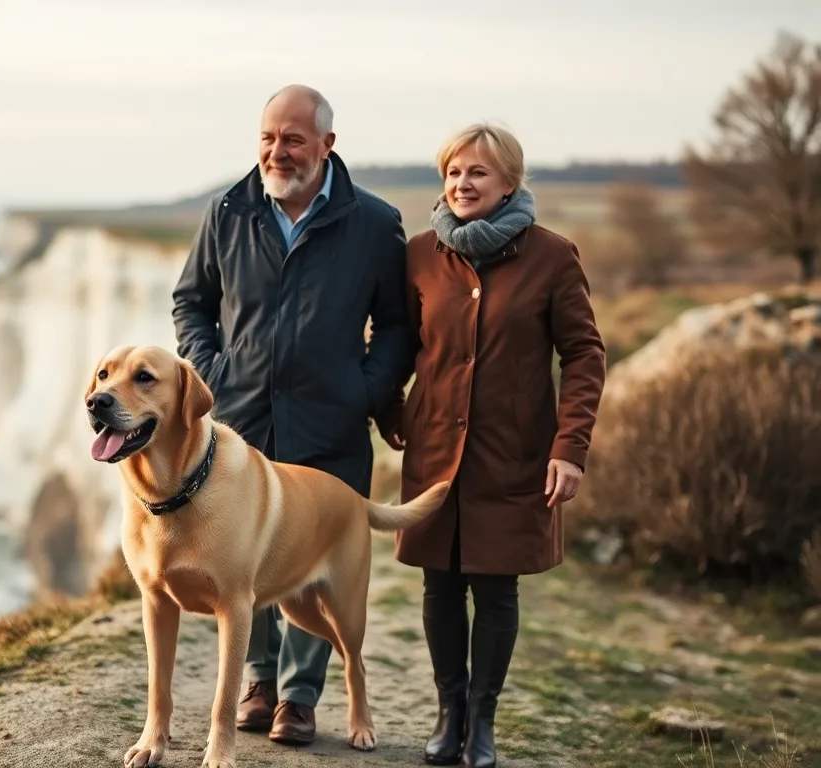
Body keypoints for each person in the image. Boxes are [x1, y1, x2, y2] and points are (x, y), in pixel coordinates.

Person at [171, 84, 414, 747]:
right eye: (268, 139)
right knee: (246, 554)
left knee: (315, 558)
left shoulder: (373, 222)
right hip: (239, 424)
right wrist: (212, 374)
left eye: (294, 140)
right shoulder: (228, 210)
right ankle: (257, 680)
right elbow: (192, 301)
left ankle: (301, 698)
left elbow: (396, 326)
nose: (278, 152)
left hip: (330, 424)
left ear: (327, 146)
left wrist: (364, 390)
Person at [381, 122, 606, 768]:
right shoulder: (421, 253)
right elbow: (398, 340)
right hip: (434, 454)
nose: (462, 184)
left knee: (495, 590)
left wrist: (571, 445)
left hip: (515, 454)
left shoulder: (553, 256)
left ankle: (482, 722)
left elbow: (585, 354)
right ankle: (448, 713)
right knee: (439, 588)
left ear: (510, 182)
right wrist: (391, 402)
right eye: (452, 173)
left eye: (477, 173)